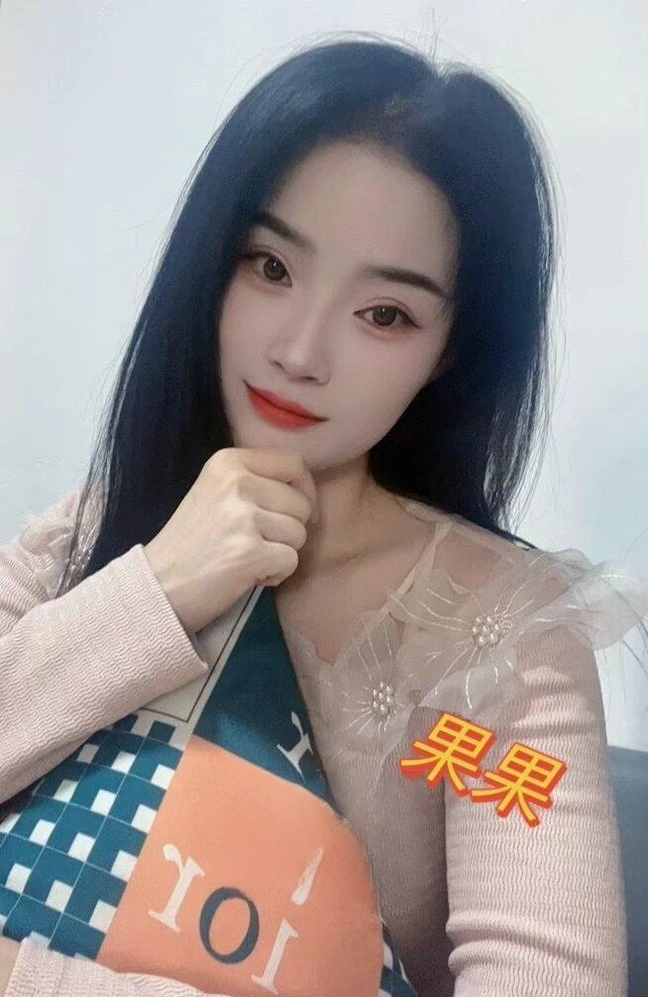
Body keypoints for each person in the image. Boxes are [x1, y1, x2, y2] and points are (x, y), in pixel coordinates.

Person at [1, 32, 647, 997]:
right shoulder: (86, 531)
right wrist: (157, 591)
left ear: (449, 350)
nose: (300, 352)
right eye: (270, 266)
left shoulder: (505, 647)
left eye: (384, 314)